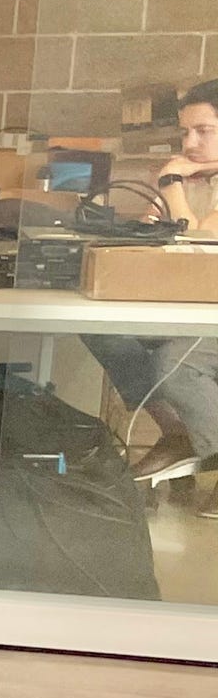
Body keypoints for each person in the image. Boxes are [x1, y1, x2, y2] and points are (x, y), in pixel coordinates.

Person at [85, 79, 218, 471]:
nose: (189, 144)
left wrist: (170, 183)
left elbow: (203, 247)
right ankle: (180, 432)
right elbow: (167, 243)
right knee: (103, 328)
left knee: (177, 363)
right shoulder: (195, 179)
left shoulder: (178, 179)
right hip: (186, 308)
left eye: (203, 131)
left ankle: (210, 447)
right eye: (184, 132)